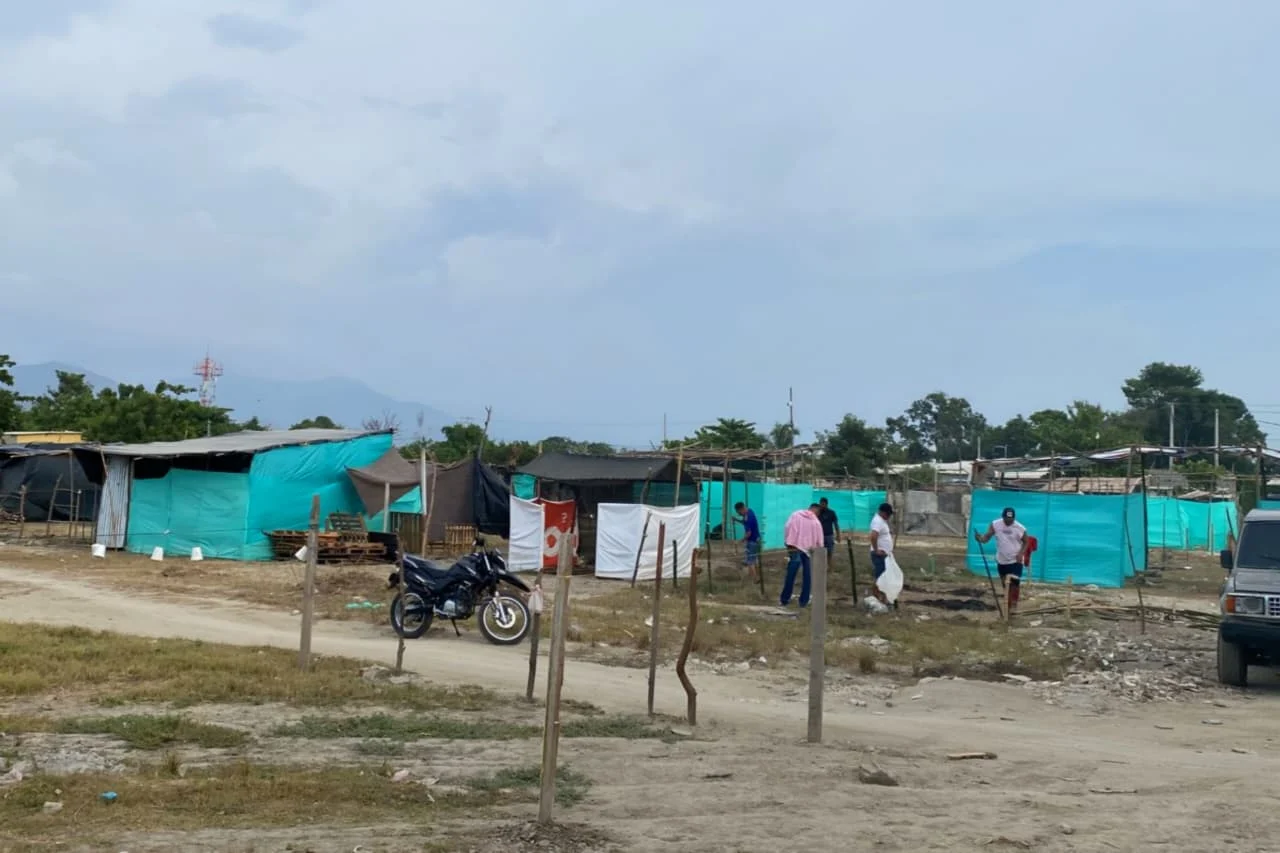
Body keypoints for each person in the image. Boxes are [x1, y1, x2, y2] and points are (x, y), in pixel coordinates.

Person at [975, 507, 1031, 615]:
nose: (1009, 521)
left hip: (1015, 560)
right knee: (1005, 584)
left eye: (1011, 519)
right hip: (1002, 560)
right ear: (1003, 517)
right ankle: (1007, 605)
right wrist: (980, 539)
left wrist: (1021, 553)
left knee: (1014, 584)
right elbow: (986, 537)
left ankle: (1013, 605)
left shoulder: (1020, 528)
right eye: (1006, 519)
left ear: (1014, 518)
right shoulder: (995, 524)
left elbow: (1026, 542)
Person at [780, 503, 824, 608]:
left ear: (809, 508)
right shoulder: (816, 522)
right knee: (807, 576)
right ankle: (803, 601)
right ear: (817, 512)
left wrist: (787, 543)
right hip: (808, 551)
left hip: (794, 547)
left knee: (791, 574)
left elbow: (787, 527)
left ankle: (785, 599)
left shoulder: (796, 515)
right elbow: (820, 542)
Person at [868, 502, 895, 608]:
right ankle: (876, 597)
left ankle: (883, 597)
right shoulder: (877, 521)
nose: (889, 516)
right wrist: (876, 550)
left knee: (884, 576)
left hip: (884, 554)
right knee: (880, 577)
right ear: (882, 512)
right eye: (888, 514)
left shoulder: (881, 521)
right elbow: (873, 536)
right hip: (879, 555)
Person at [732, 501, 761, 580]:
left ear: (742, 509)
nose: (739, 514)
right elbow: (744, 523)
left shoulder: (749, 518)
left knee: (750, 561)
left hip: (752, 541)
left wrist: (739, 541)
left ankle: (755, 579)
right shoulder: (749, 512)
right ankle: (753, 576)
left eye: (739, 512)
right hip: (755, 540)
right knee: (753, 560)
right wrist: (736, 520)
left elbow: (748, 533)